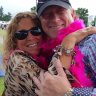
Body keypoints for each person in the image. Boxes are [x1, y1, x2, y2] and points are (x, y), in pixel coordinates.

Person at [32, 0, 96, 96]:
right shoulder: (44, 52)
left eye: (60, 11)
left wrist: (69, 93)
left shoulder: (91, 43)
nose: (55, 19)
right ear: (40, 21)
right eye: (47, 14)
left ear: (72, 14)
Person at [3, 11, 47, 96]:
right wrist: (68, 43)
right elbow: (53, 87)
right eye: (22, 34)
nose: (30, 37)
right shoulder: (17, 60)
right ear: (14, 41)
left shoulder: (44, 57)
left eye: (35, 30)